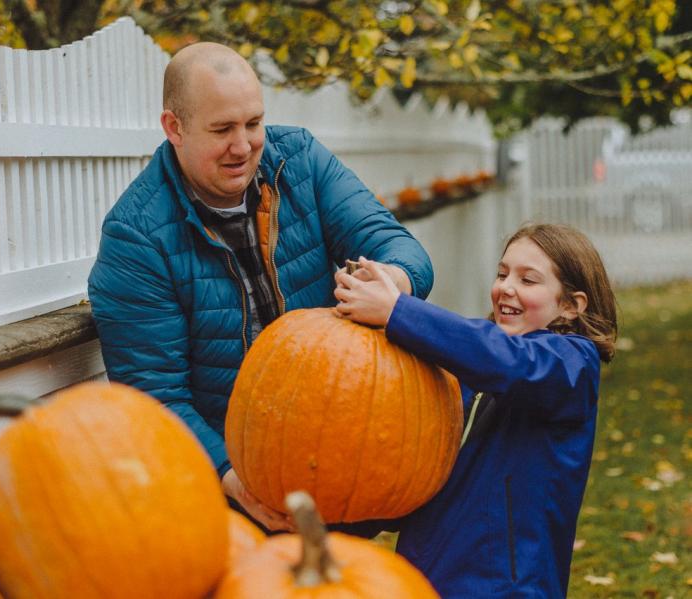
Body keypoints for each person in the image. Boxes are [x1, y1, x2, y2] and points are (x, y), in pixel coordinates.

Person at [87, 42, 433, 533]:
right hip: (234, 483)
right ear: (174, 128)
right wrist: (233, 479)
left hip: (343, 446)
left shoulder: (301, 162)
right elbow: (155, 396)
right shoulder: (137, 237)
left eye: (253, 123)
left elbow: (400, 249)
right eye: (222, 129)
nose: (244, 145)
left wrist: (390, 285)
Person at [333, 223, 618, 597]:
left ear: (570, 305)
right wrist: (338, 519)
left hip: (508, 586)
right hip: (428, 574)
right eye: (502, 274)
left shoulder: (572, 365)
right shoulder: (472, 373)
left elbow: (511, 363)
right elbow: (419, 478)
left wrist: (398, 312)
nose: (506, 287)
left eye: (528, 280)